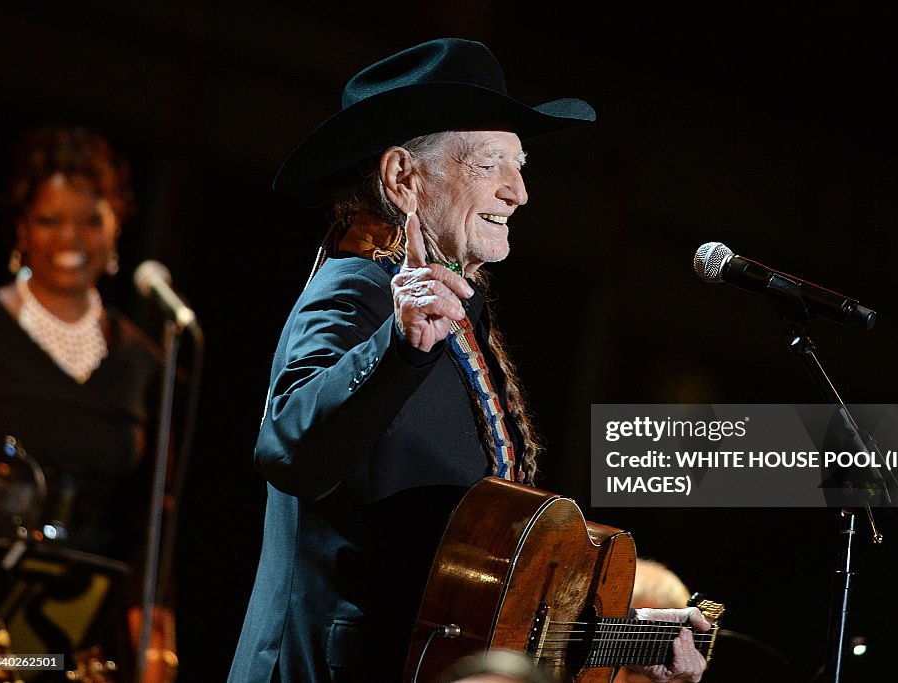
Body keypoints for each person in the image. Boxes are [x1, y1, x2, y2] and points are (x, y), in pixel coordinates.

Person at [228, 38, 710, 683]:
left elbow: (469, 593)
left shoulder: (455, 310)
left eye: (521, 165)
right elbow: (287, 449)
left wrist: (619, 642)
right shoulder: (356, 295)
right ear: (404, 177)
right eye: (491, 166)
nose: (519, 193)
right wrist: (394, 346)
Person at [0, 125, 177, 682]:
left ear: (117, 227)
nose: (73, 237)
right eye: (50, 219)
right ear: (22, 228)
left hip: (79, 640)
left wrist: (156, 653)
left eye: (92, 219)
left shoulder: (144, 361)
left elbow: (151, 526)